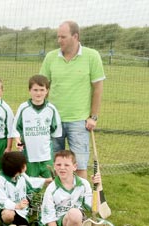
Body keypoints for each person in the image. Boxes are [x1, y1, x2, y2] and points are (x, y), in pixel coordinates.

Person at [40, 20, 105, 179]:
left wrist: (93, 116)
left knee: (80, 165)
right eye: (58, 37)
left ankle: (81, 200)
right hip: (54, 121)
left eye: (63, 36)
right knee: (55, 164)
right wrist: (42, 114)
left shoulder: (92, 56)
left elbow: (97, 88)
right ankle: (55, 200)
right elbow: (42, 87)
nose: (59, 40)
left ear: (75, 36)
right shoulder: (50, 57)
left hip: (79, 121)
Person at [37, 150, 100, 226]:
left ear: (74, 167)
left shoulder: (83, 184)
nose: (62, 168)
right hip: (53, 223)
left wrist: (98, 187)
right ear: (54, 167)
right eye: (58, 164)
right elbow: (50, 218)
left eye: (66, 165)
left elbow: (95, 208)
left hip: (71, 221)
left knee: (75, 213)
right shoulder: (51, 189)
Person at [12, 74, 62, 178]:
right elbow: (16, 129)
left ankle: (50, 195)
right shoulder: (23, 108)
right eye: (35, 90)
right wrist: (18, 141)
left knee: (51, 181)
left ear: (47, 90)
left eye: (41, 89)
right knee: (30, 183)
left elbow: (55, 131)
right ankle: (30, 195)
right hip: (29, 155)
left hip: (46, 155)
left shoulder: (51, 109)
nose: (38, 93)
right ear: (29, 90)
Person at [0, 151, 50, 226]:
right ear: (16, 168)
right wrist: (16, 206)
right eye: (24, 164)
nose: (25, 166)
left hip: (21, 211)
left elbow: (31, 182)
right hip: (7, 210)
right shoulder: (1, 180)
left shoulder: (21, 175)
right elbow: (0, 200)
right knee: (8, 215)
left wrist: (47, 180)